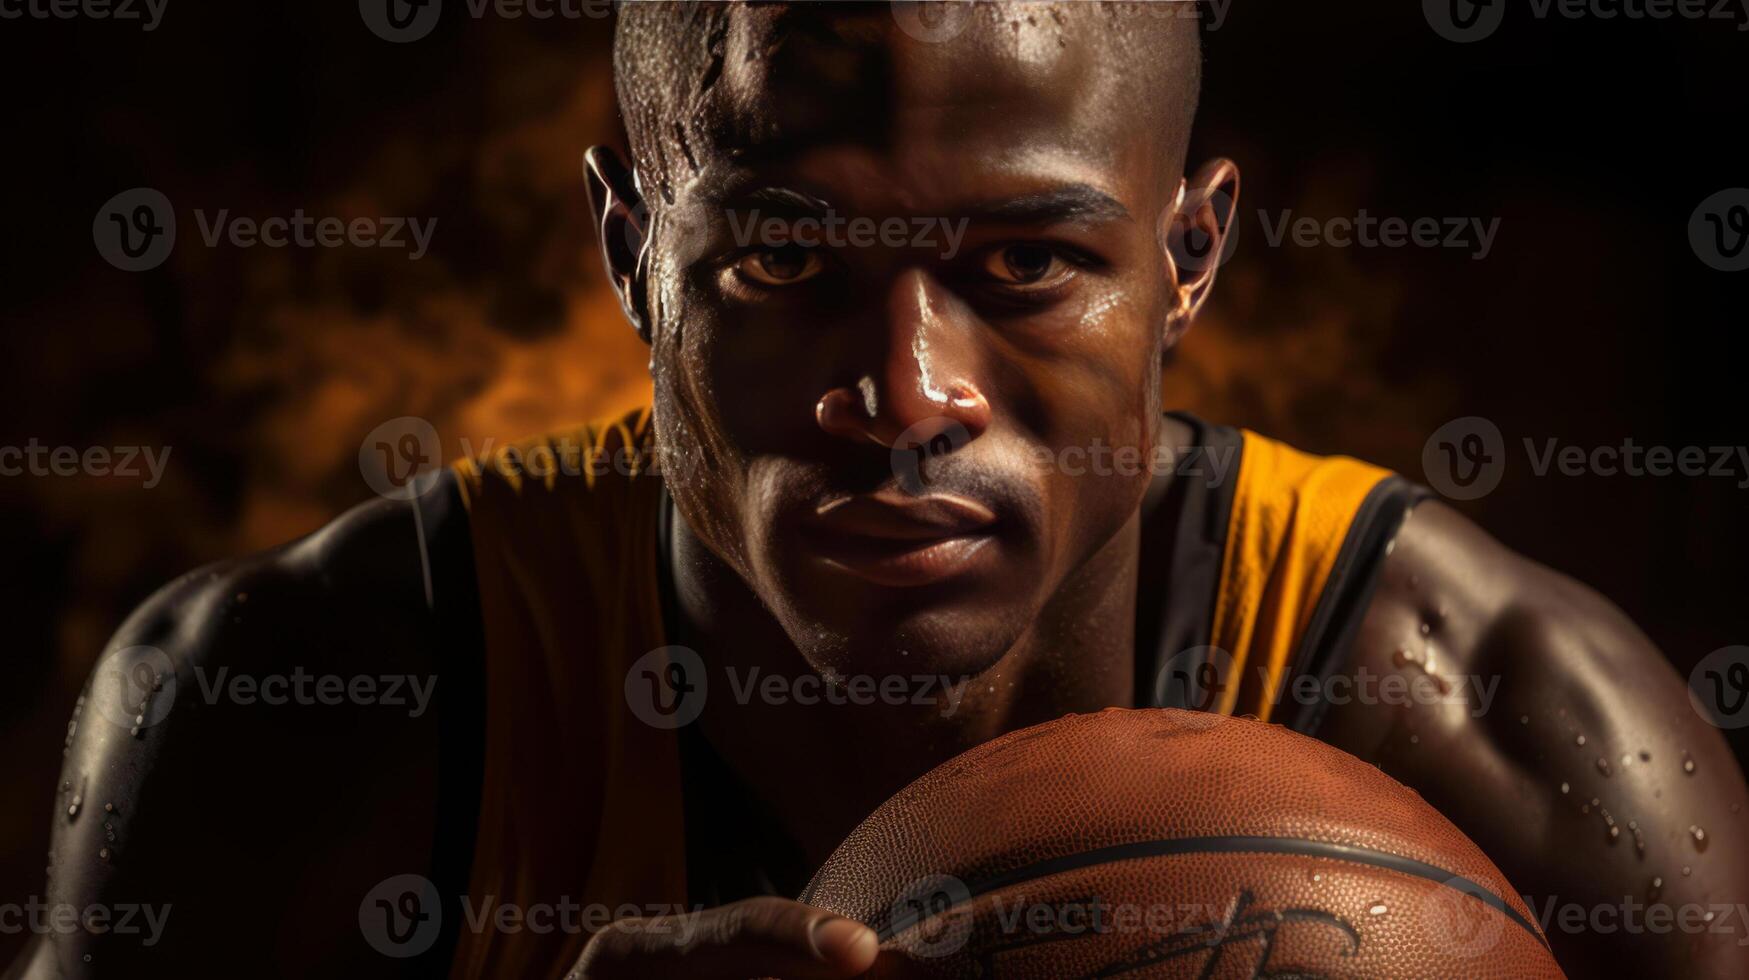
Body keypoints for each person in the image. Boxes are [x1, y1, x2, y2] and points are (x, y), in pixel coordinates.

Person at [14, 3, 1746, 977]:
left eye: (1024, 262)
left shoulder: (1498, 724)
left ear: (1190, 254)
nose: (907, 397)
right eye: (781, 262)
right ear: (631, 256)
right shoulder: (299, 712)